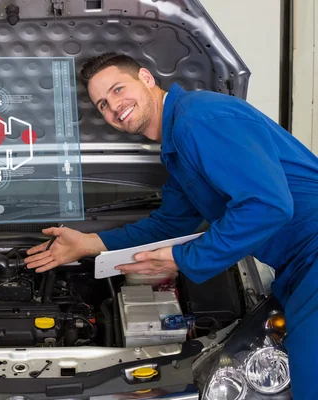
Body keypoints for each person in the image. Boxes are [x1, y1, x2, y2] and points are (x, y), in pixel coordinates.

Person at [25, 53, 318, 398]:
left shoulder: (200, 120)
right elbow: (170, 223)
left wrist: (184, 258)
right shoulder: (178, 144)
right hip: (298, 267)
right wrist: (90, 243)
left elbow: (269, 206)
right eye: (103, 104)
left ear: (147, 78)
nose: (114, 107)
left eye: (118, 89)